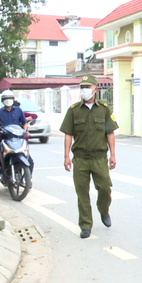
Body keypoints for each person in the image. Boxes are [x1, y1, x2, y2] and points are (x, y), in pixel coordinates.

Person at [60, 75, 118, 239]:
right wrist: (66, 156)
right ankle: (85, 225)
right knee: (82, 192)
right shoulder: (74, 110)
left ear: (95, 89)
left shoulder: (104, 109)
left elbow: (110, 133)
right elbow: (68, 134)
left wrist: (113, 155)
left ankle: (103, 209)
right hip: (80, 159)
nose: (84, 90)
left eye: (87, 87)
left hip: (99, 157)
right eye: (82, 87)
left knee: (105, 187)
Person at [0, 90, 33, 184]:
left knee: (30, 160)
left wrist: (26, 131)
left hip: (18, 139)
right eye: (6, 98)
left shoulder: (18, 110)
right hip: (4, 139)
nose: (8, 100)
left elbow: (25, 122)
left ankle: (27, 180)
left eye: (10, 98)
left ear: (13, 99)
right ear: (2, 100)